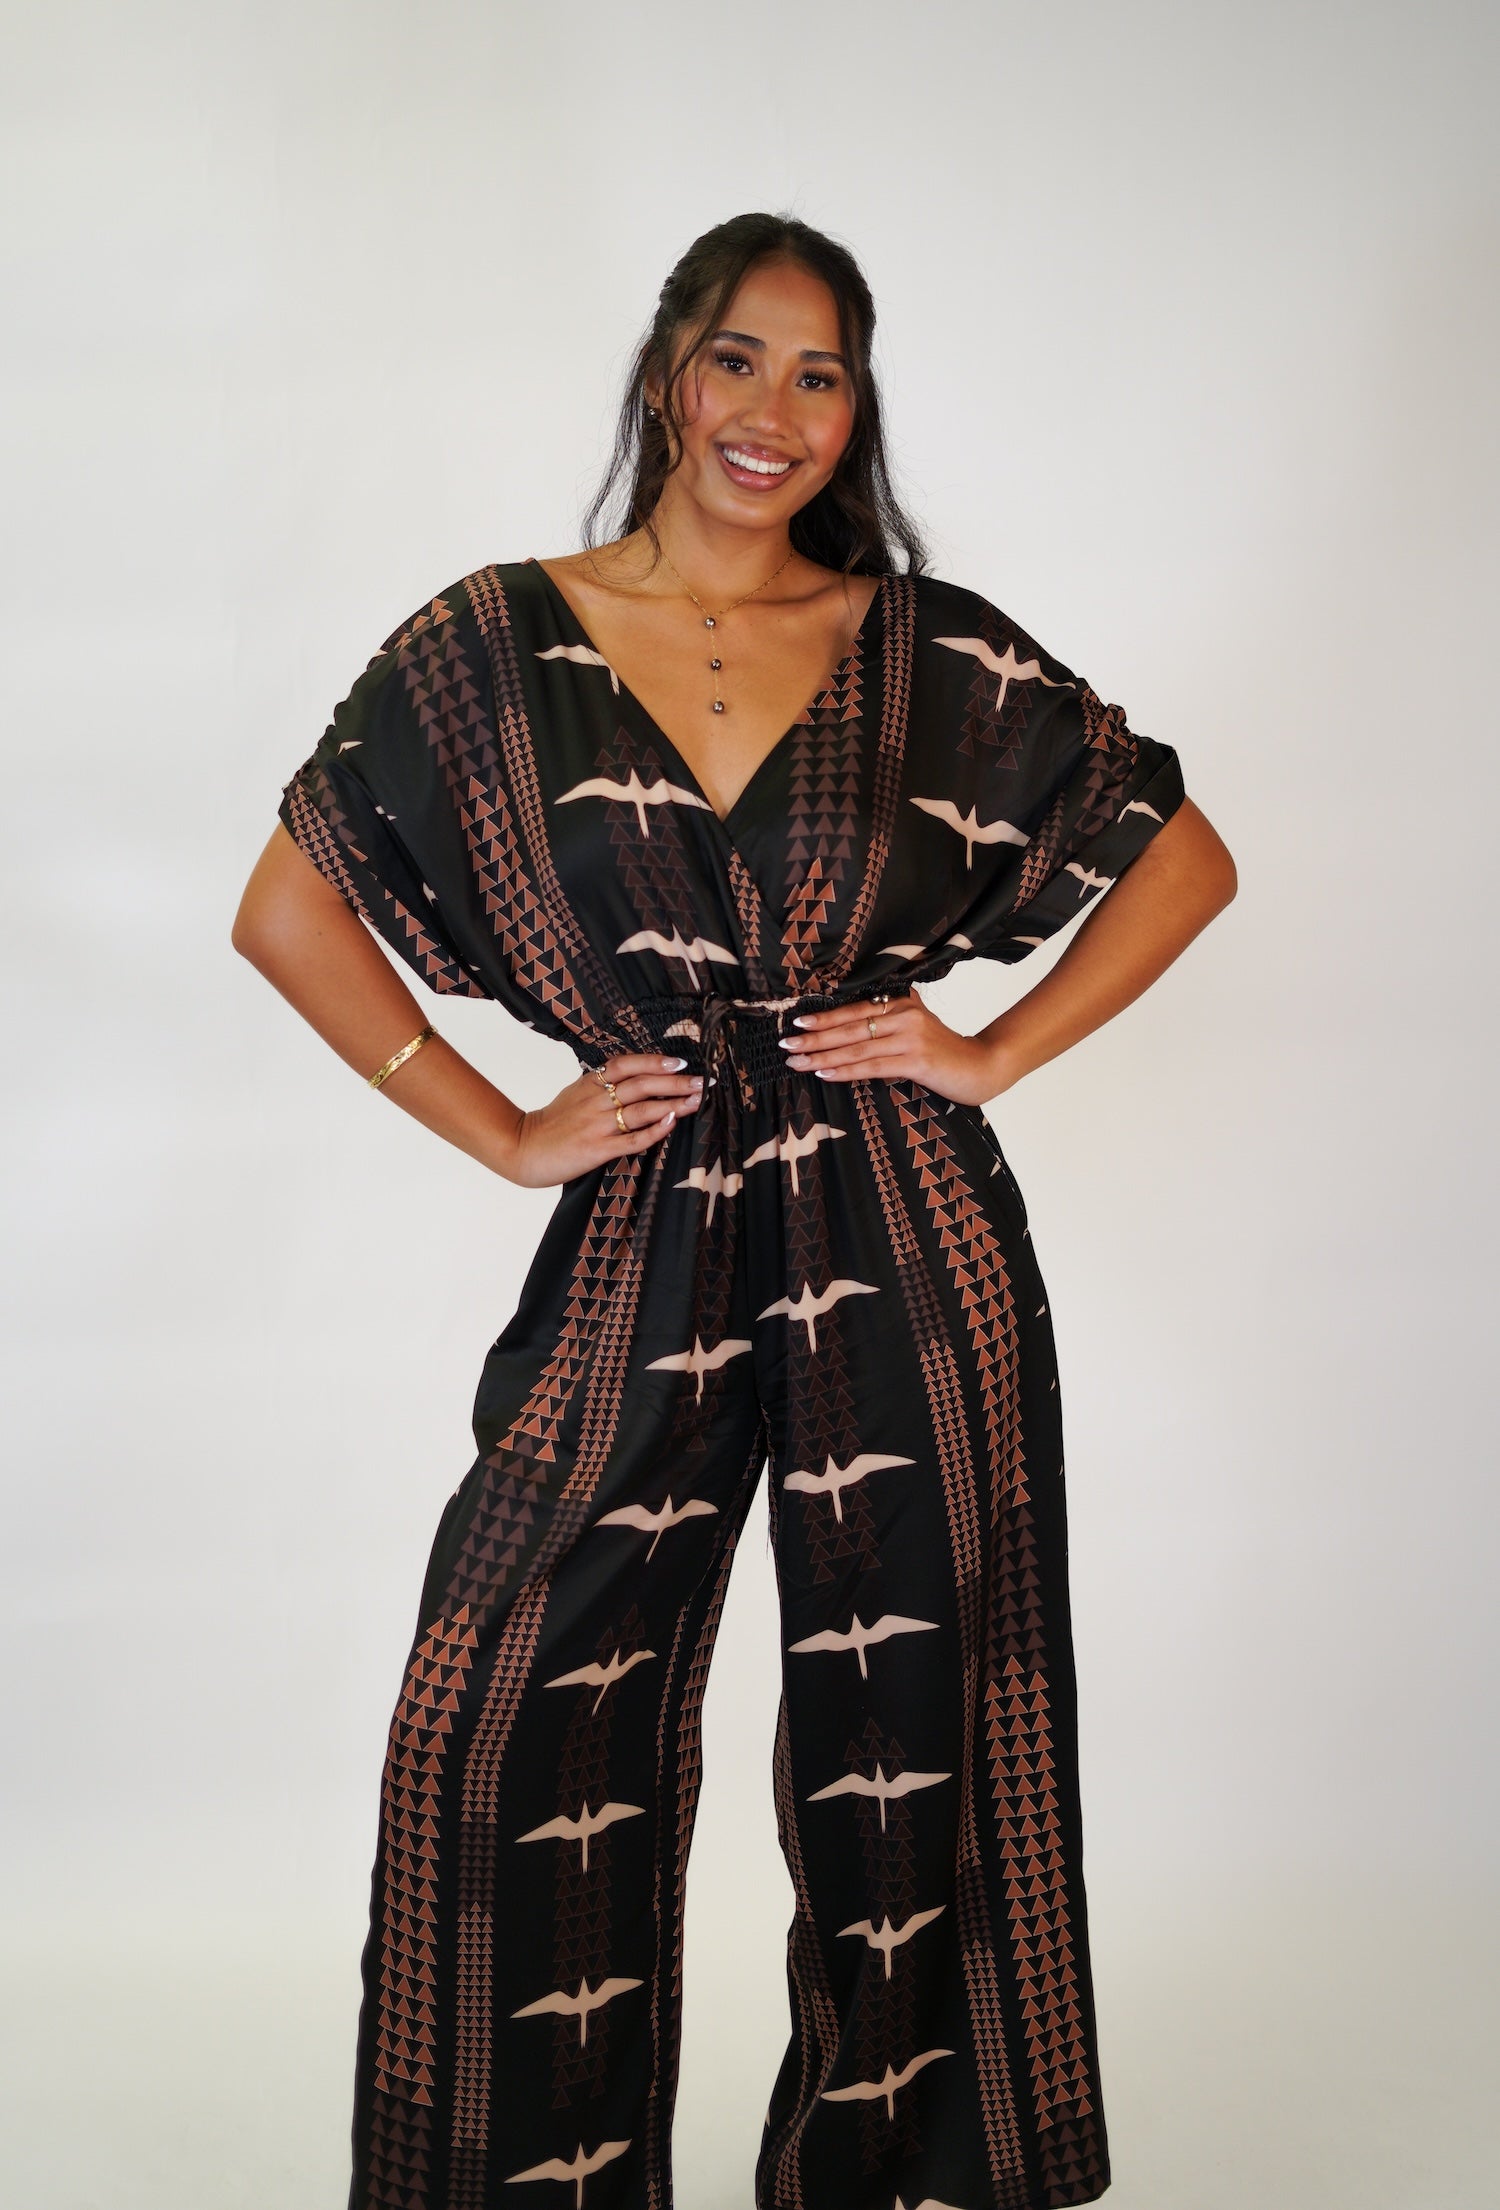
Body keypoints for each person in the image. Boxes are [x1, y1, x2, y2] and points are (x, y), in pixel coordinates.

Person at [233, 209, 1236, 2210]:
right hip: (648, 1217)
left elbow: (1183, 856)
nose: (774, 409)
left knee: (920, 1727)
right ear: (667, 374)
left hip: (902, 1221)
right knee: (501, 1704)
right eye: (738, 358)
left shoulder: (926, 652)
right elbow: (286, 906)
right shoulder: (492, 643)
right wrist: (505, 1128)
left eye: (821, 373)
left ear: (856, 412)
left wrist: (986, 1051)